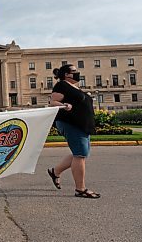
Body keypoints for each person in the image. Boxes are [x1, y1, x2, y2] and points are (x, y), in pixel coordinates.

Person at [47, 64, 100, 199]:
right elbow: (52, 101)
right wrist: (64, 105)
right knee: (80, 155)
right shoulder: (62, 85)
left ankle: (55, 171)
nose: (77, 73)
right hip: (70, 123)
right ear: (67, 74)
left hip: (81, 124)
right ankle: (80, 189)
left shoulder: (74, 87)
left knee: (81, 153)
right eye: (75, 71)